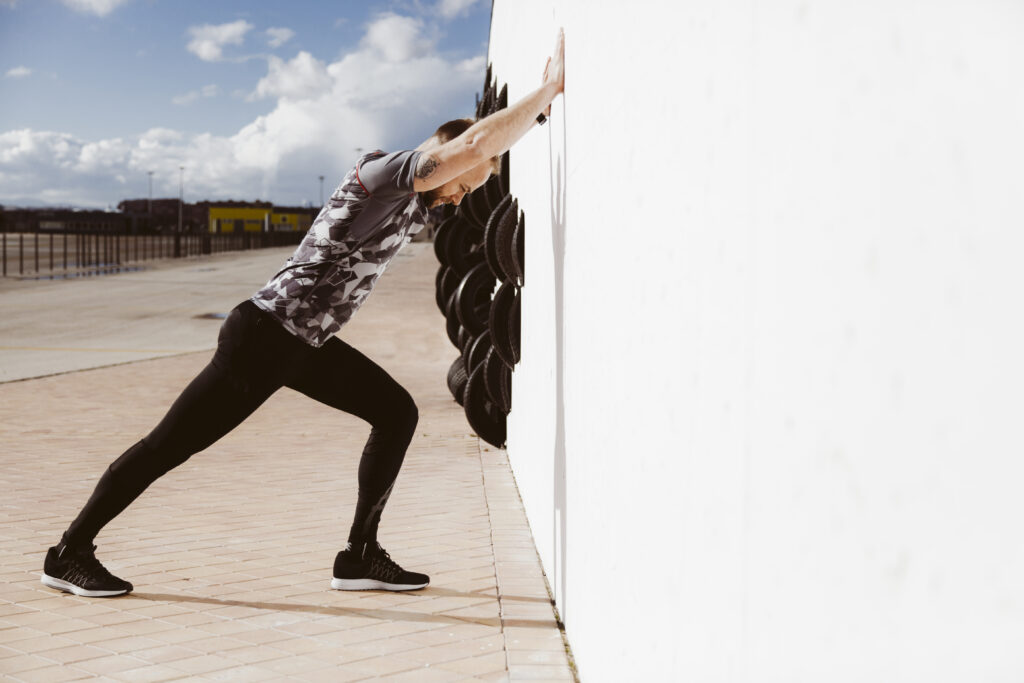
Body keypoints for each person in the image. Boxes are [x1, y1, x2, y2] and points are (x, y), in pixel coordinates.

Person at [40, 29, 565, 598]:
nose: (463, 197)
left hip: (300, 344)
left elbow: (479, 149)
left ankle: (359, 556)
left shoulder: (415, 200)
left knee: (395, 413)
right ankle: (69, 552)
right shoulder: (385, 174)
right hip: (264, 335)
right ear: (443, 157)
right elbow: (470, 146)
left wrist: (535, 126)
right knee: (169, 445)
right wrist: (549, 90)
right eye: (465, 185)